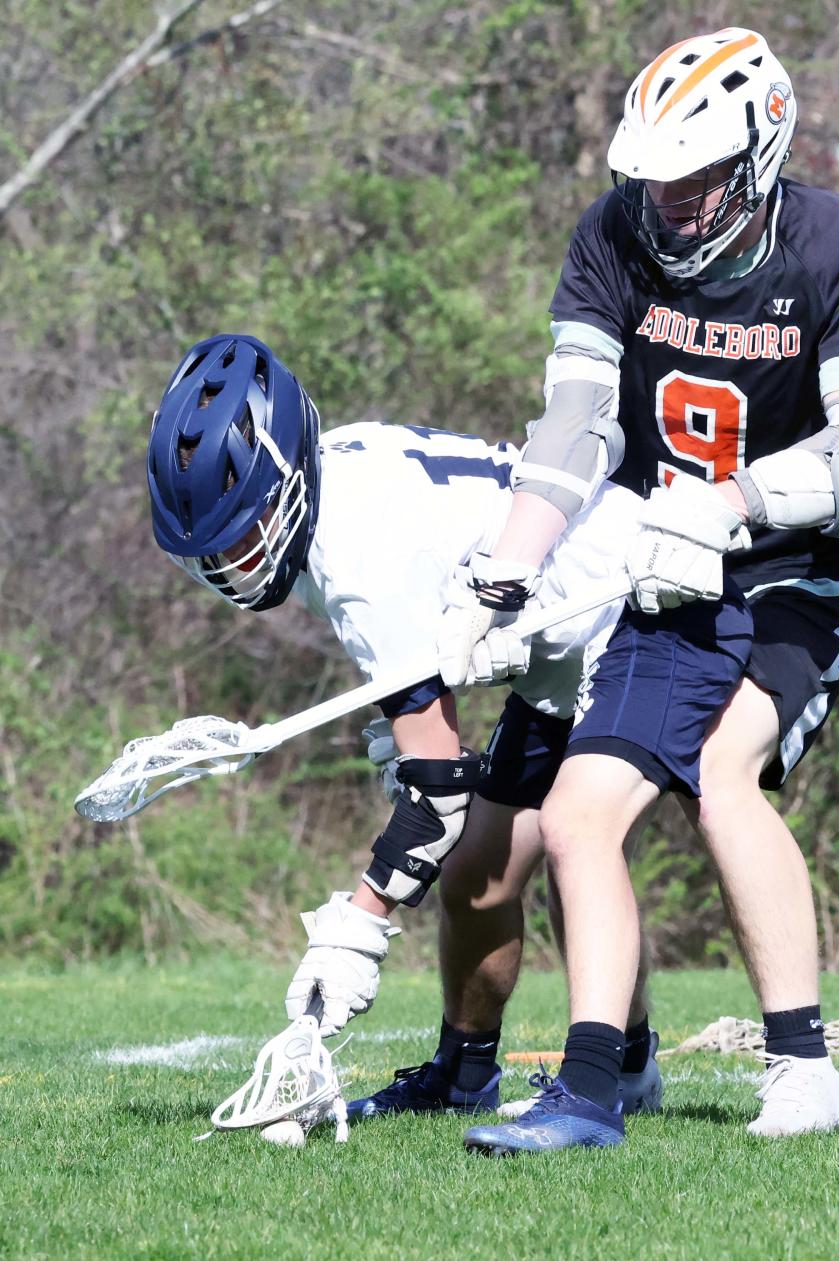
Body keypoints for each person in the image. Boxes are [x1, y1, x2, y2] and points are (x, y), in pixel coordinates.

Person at [417, 27, 839, 1153]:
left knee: (721, 774)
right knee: (576, 811)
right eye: (656, 181)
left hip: (801, 573)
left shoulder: (838, 247)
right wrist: (508, 566)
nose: (674, 204)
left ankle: (804, 1065)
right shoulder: (613, 236)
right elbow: (579, 422)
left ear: (760, 157)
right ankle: (595, 1088)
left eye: (696, 180)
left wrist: (728, 504)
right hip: (661, 568)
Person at [146, 331, 682, 1122]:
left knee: (577, 844)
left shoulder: (357, 560)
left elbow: (439, 796)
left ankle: (623, 1073)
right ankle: (463, 1076)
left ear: (285, 479)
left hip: (617, 614)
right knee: (478, 878)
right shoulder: (341, 467)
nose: (233, 562)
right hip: (552, 637)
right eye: (213, 549)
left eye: (244, 531)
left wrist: (357, 925)